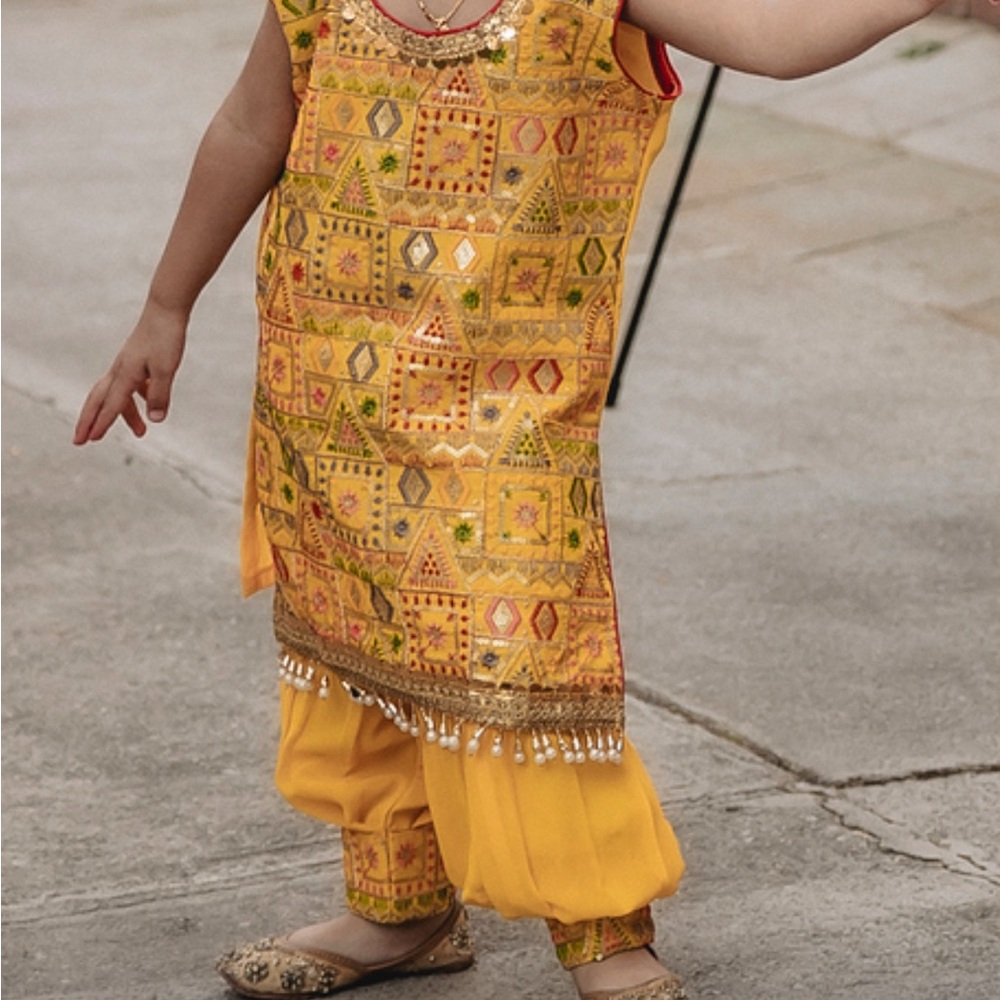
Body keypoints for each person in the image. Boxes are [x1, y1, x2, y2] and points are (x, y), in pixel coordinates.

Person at [74, 1, 951, 997]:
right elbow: (249, 126)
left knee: (516, 648)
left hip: (507, 410)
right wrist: (165, 305)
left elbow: (771, 37)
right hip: (332, 392)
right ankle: (399, 908)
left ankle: (603, 931)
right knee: (365, 636)